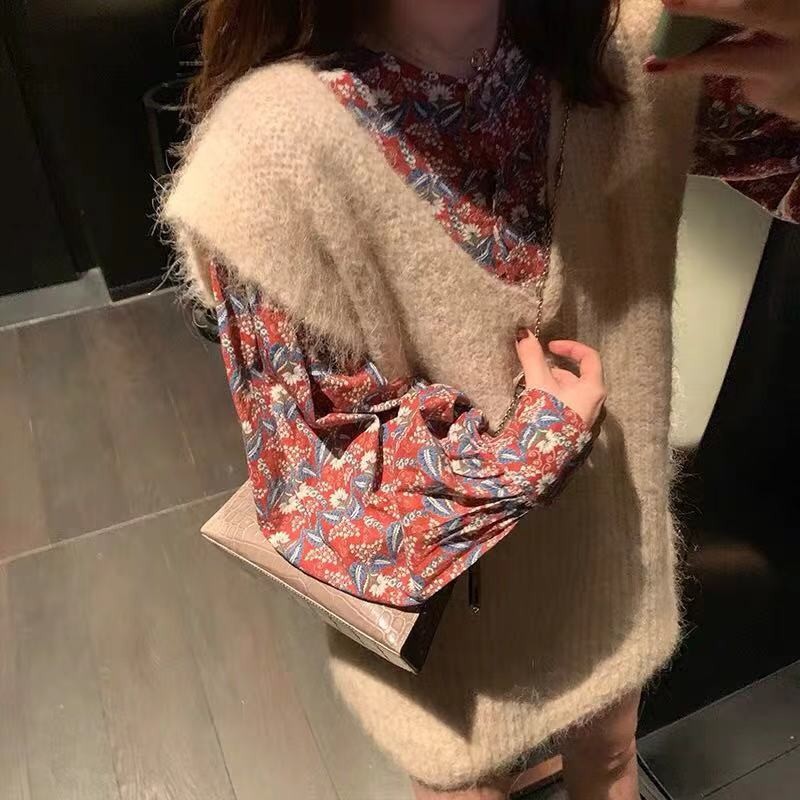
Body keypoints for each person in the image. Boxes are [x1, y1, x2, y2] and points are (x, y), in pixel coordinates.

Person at [163, 1, 800, 797]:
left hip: (606, 555)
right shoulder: (268, 154)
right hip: (444, 624)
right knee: (467, 788)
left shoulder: (622, 47)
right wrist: (534, 442)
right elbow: (318, 487)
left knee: (610, 753)